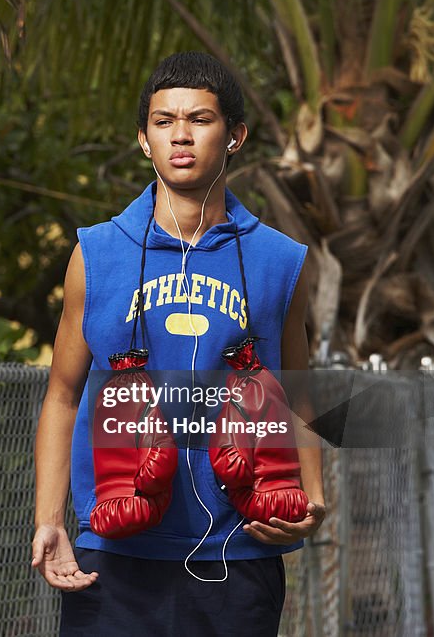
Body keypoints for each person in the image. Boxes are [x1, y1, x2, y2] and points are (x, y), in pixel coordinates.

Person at [31, 51, 326, 636]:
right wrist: (51, 520)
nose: (181, 135)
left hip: (238, 553)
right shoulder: (96, 254)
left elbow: (298, 394)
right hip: (116, 552)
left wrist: (312, 502)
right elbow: (63, 395)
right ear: (144, 140)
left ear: (235, 135)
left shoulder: (280, 261)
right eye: (163, 122)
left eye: (200, 119)